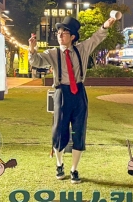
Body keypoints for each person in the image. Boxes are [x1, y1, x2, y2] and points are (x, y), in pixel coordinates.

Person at [28, 15, 115, 184]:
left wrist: (107, 24)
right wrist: (32, 49)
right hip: (61, 92)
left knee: (79, 131)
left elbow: (97, 37)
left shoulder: (82, 49)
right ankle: (59, 164)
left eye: (64, 33)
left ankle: (74, 169)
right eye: (58, 33)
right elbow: (37, 61)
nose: (60, 35)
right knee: (59, 131)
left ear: (73, 36)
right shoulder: (53, 53)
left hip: (79, 93)